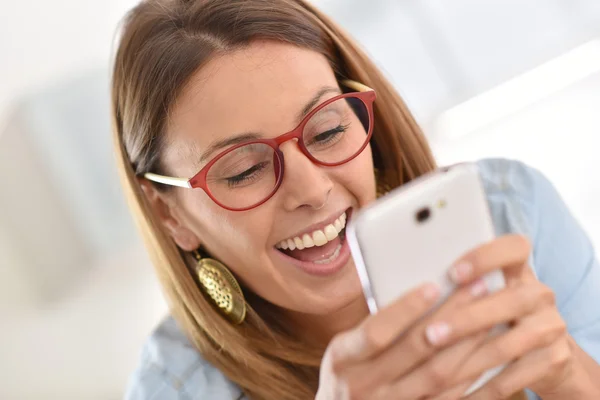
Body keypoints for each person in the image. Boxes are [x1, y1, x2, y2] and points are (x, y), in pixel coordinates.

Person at [111, 0, 600, 399]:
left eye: (327, 130)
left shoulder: (511, 209)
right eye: (246, 169)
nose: (313, 189)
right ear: (168, 212)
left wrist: (569, 378)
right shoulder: (173, 388)